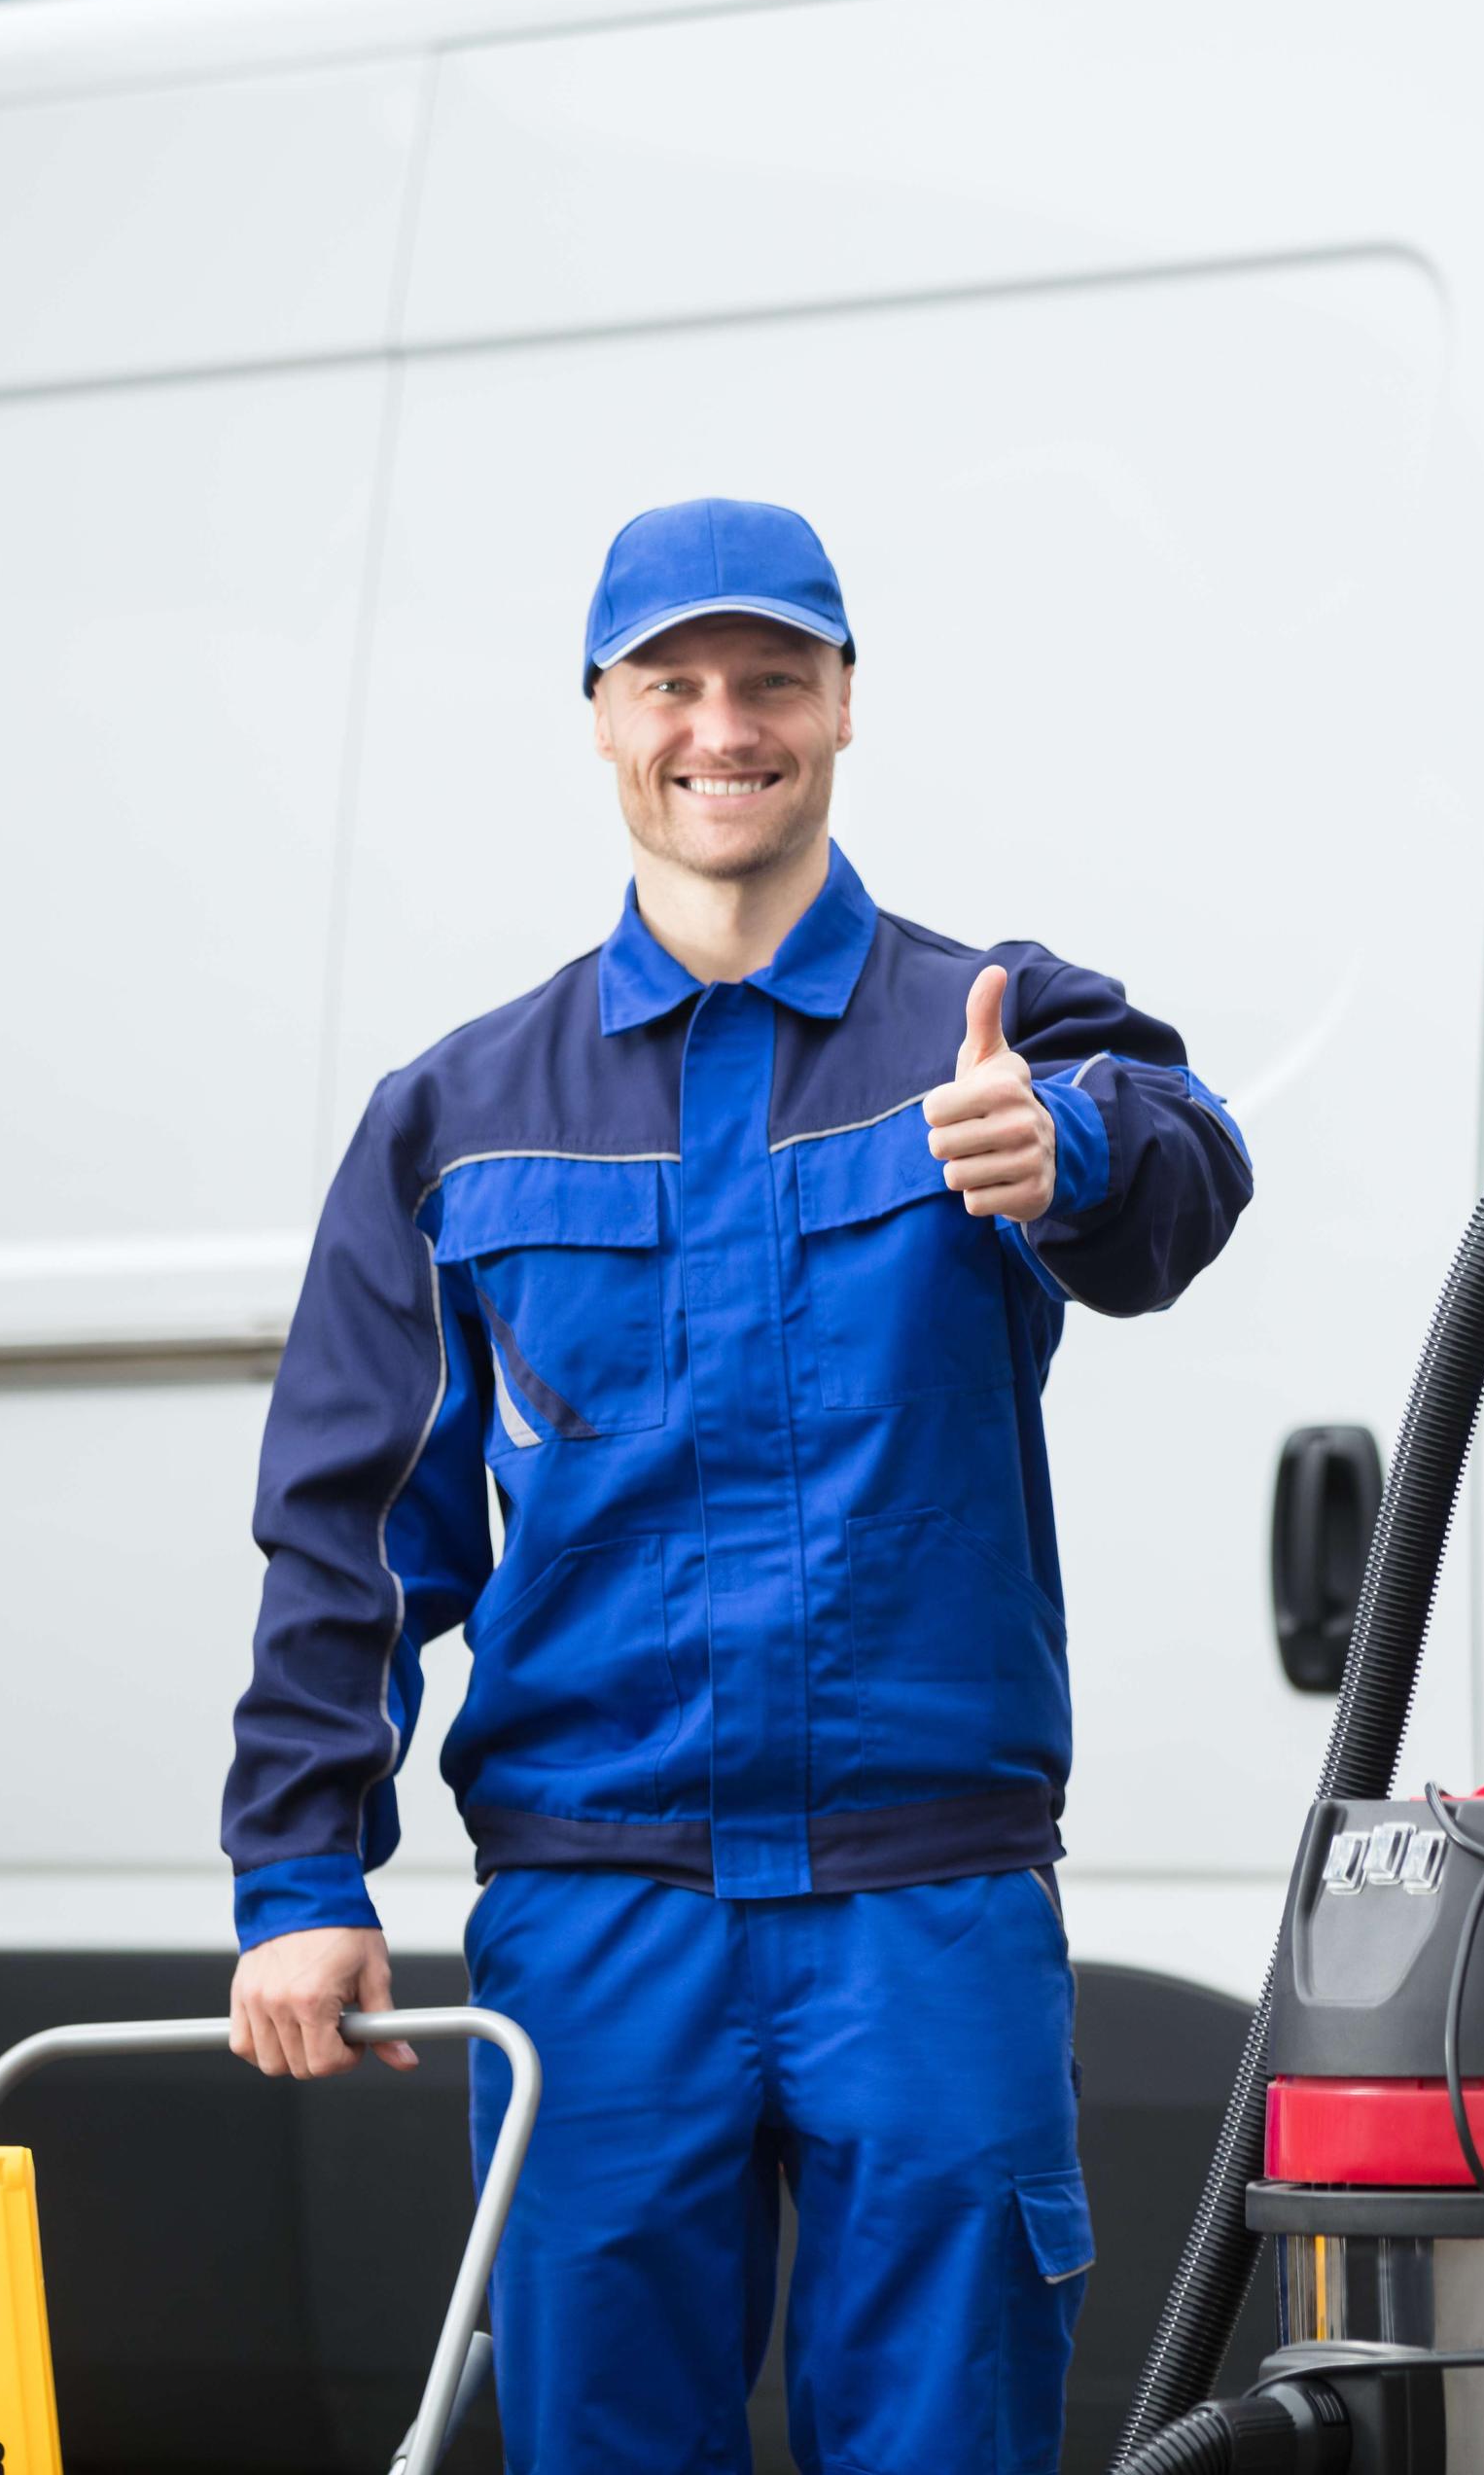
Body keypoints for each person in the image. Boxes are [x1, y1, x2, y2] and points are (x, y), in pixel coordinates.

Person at [218, 497, 1253, 2471]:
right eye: (671, 682)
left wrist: (1079, 1150)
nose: (724, 722)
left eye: (773, 675)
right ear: (600, 717)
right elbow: (356, 1524)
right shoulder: (461, 1118)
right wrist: (299, 1868)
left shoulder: (993, 1032)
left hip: (924, 1907)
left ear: (845, 701)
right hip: (602, 1932)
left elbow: (1189, 1160)